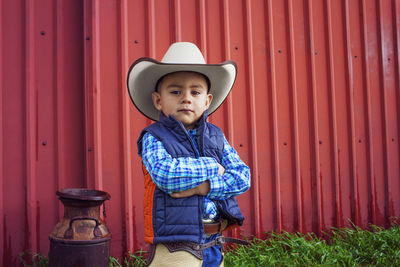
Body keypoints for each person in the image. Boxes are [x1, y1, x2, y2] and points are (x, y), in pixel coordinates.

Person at [127, 42, 251, 267]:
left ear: (207, 100)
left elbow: (242, 177)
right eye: (175, 91)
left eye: (195, 92)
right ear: (158, 100)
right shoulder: (154, 137)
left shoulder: (216, 136)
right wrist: (214, 167)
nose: (186, 98)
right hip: (175, 244)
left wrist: (204, 188)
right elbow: (167, 175)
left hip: (214, 242)